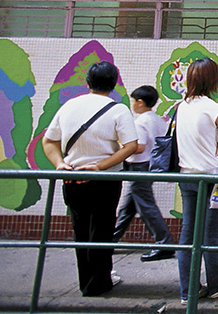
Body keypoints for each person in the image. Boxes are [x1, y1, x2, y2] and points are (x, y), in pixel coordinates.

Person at [41, 61, 138, 296]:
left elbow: (49, 140)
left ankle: (86, 282)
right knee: (102, 230)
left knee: (81, 229)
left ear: (88, 83)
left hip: (72, 177)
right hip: (106, 180)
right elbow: (131, 146)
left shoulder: (69, 106)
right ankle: (99, 282)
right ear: (113, 84)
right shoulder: (118, 110)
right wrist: (100, 166)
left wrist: (60, 164)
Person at [175, 58, 218, 305]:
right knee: (210, 234)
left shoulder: (181, 107)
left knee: (188, 234)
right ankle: (216, 284)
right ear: (213, 80)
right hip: (211, 177)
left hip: (187, 176)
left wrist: (217, 140)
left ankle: (187, 290)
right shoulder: (215, 109)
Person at [113, 85, 175, 262]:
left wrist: (120, 147)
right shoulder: (157, 120)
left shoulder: (140, 122)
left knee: (146, 207)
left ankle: (164, 244)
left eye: (133, 101)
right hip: (150, 165)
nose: (132, 104)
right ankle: (110, 240)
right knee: (129, 206)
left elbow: (138, 147)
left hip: (139, 166)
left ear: (140, 102)